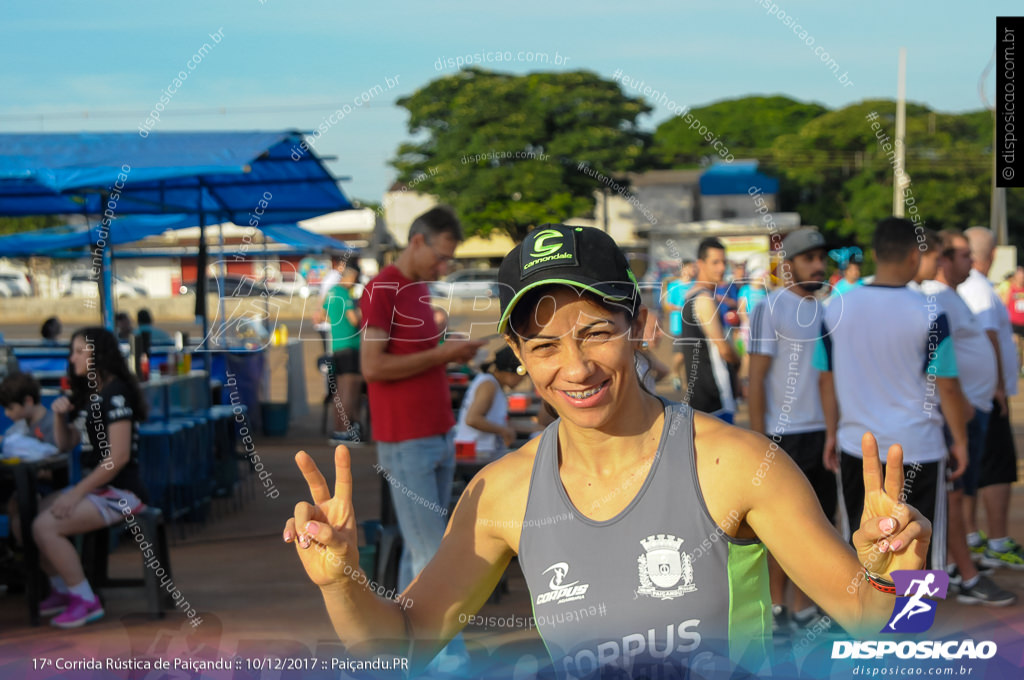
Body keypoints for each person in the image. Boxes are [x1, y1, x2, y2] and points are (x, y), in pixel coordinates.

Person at [285, 224, 931, 678]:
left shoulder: (735, 464)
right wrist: (340, 581)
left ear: (639, 324)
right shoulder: (502, 495)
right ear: (519, 358)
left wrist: (903, 576)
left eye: (595, 332)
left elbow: (895, 632)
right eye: (543, 347)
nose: (575, 368)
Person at [816, 217, 968, 571]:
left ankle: (866, 621)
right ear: (916, 255)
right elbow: (945, 383)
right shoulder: (931, 312)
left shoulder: (836, 307)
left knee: (863, 538)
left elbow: (825, 379)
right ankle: (913, 624)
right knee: (918, 548)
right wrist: (960, 440)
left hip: (857, 445)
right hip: (920, 447)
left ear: (874, 253)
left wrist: (830, 433)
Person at [359, 206, 483, 593]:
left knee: (423, 554)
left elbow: (417, 356)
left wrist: (450, 350)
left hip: (437, 431)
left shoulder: (417, 290)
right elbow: (373, 367)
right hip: (406, 437)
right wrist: (443, 355)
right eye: (441, 256)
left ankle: (407, 644)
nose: (444, 267)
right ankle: (446, 653)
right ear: (417, 242)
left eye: (449, 259)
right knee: (430, 554)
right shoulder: (382, 289)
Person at [915, 230, 1014, 605]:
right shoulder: (935, 297)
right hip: (957, 411)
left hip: (967, 407)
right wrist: (959, 408)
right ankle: (955, 574)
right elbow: (937, 365)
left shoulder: (951, 295)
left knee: (961, 491)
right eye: (961, 254)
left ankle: (955, 565)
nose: (969, 261)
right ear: (941, 258)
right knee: (953, 494)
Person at [747, 228, 837, 631]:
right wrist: (758, 439)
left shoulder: (827, 310)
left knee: (819, 528)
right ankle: (775, 609)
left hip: (822, 434)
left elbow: (829, 380)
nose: (817, 265)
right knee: (777, 530)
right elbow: (756, 378)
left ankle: (803, 608)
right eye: (808, 258)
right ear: (788, 266)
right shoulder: (770, 308)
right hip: (781, 436)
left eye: (821, 257)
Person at [35, 327, 149, 628]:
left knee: (45, 527)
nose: (72, 358)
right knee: (26, 517)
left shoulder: (115, 394)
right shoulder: (89, 394)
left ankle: (85, 600)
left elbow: (118, 458)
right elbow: (65, 444)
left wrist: (75, 493)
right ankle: (64, 590)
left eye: (79, 351)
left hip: (122, 492)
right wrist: (59, 416)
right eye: (71, 352)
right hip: (97, 490)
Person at [958, 226, 1024, 569]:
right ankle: (996, 542)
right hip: (984, 395)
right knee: (997, 468)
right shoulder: (980, 288)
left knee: (973, 468)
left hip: (973, 395)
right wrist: (998, 385)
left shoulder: (964, 288)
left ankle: (971, 537)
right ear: (994, 254)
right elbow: (989, 337)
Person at [679, 238, 739, 422]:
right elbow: (724, 349)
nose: (721, 268)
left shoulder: (690, 296)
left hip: (700, 395)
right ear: (700, 264)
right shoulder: (704, 299)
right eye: (715, 262)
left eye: (723, 262)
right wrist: (738, 362)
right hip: (715, 396)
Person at [453, 347, 526, 458]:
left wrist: (538, 428)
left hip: (481, 449)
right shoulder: (489, 384)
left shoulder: (494, 384)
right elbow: (472, 419)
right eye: (522, 375)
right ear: (508, 371)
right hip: (475, 451)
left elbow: (501, 422)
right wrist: (503, 431)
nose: (522, 380)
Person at [324, 259, 363, 444]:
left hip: (337, 346)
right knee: (350, 389)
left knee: (339, 391)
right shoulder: (344, 293)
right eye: (354, 278)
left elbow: (321, 315)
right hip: (350, 345)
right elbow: (354, 320)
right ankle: (346, 430)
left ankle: (338, 430)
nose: (354, 282)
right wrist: (364, 313)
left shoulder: (331, 292)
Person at [663, 259, 696, 392]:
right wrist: (682, 309)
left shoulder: (696, 285)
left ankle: (690, 383)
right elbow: (668, 305)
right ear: (683, 269)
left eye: (694, 268)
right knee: (681, 355)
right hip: (678, 326)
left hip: (694, 325)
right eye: (690, 267)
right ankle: (675, 373)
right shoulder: (674, 286)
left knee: (693, 354)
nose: (692, 270)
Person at [1005, 266, 1024, 377]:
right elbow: (1005, 303)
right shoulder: (1011, 289)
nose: (1022, 279)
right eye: (1020, 276)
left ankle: (1022, 367)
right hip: (1014, 322)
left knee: (1022, 347)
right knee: (1015, 345)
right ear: (1016, 277)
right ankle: (1015, 366)